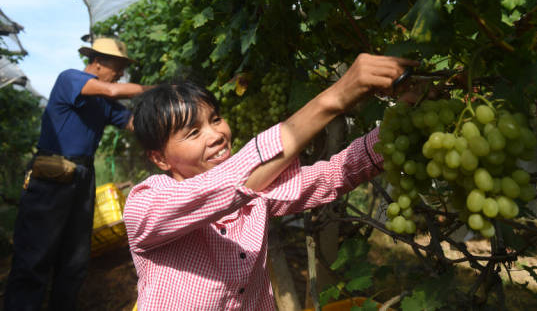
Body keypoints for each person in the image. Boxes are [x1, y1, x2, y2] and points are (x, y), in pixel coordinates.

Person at [123, 53, 417, 310]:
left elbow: (333, 175)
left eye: (215, 120)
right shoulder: (146, 206)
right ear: (160, 159)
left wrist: (404, 121)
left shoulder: (255, 194)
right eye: (193, 133)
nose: (216, 136)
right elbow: (232, 183)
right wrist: (335, 97)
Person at [4, 37, 153, 311]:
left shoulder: (104, 103)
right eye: (117, 67)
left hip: (82, 176)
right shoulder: (70, 79)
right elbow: (110, 90)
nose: (120, 73)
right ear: (97, 63)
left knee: (75, 259)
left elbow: (134, 123)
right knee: (35, 257)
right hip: (52, 174)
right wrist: (157, 90)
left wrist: (169, 117)